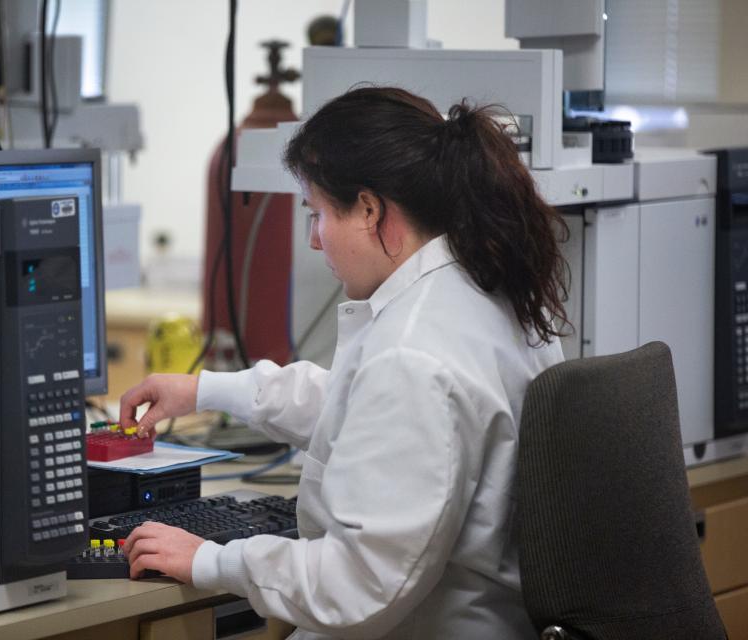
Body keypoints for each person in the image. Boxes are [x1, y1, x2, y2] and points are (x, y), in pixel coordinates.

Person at [119, 86, 569, 639]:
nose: (313, 239)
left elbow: (357, 585)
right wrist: (205, 390)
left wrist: (213, 560)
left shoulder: (413, 350)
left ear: (370, 210)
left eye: (317, 214)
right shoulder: (482, 290)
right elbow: (360, 415)